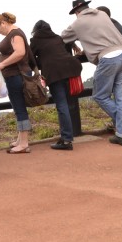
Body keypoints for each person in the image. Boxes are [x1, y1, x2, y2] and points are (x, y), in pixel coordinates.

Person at [62, 0, 122, 145]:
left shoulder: (78, 23)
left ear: (77, 12)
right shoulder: (102, 14)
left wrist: (74, 43)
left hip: (108, 58)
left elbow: (62, 38)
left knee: (100, 95)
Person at [29, 20, 84, 149]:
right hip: (70, 69)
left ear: (35, 30)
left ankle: (66, 140)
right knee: (67, 104)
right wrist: (74, 45)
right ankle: (66, 136)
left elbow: (30, 57)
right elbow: (61, 49)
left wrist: (40, 63)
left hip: (54, 74)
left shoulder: (36, 40)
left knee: (61, 105)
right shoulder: (57, 38)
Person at [0, 12, 35, 154]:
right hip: (15, 74)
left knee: (19, 108)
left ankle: (24, 143)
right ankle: (20, 140)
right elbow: (14, 52)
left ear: (3, 23)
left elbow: (20, 52)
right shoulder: (14, 34)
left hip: (17, 74)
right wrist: (0, 56)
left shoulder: (15, 34)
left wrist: (3, 64)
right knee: (17, 107)